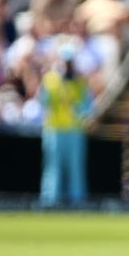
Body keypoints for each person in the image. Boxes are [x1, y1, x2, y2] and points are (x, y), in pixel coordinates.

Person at [38, 42, 94, 207]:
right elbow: (44, 102)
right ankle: (49, 201)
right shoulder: (50, 80)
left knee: (76, 168)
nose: (68, 65)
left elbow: (87, 106)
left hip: (74, 130)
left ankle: (78, 201)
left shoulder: (80, 81)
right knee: (53, 168)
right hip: (54, 130)